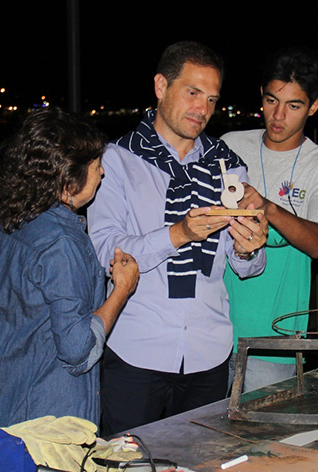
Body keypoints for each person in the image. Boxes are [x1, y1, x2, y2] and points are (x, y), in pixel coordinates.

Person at [88, 41, 268, 435]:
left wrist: (250, 246)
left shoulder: (228, 166)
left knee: (200, 462)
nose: (202, 109)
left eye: (211, 99)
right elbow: (105, 252)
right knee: (128, 463)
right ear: (160, 86)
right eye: (192, 93)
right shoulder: (117, 160)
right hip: (136, 350)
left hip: (209, 352)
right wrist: (178, 234)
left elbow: (246, 266)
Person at [0, 108, 139, 427]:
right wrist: (121, 289)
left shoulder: (3, 223)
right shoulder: (63, 243)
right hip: (47, 423)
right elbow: (78, 351)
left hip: (2, 404)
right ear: (70, 179)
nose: (101, 175)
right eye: (97, 167)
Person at [221, 46, 318, 393]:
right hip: (209, 333)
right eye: (272, 101)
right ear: (261, 96)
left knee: (261, 444)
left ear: (314, 107)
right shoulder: (230, 145)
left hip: (271, 343)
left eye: (294, 105)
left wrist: (268, 207)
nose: (278, 115)